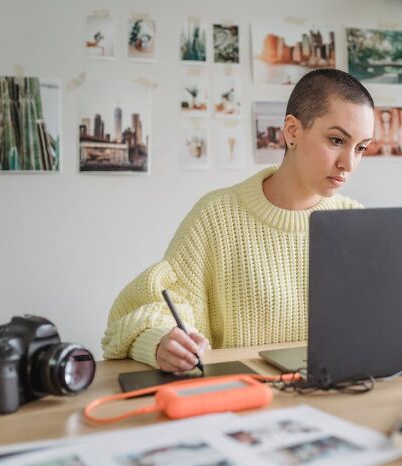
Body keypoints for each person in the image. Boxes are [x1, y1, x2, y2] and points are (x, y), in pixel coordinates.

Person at [102, 69, 375, 372]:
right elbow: (137, 313)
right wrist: (159, 341)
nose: (349, 164)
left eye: (361, 147)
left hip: (336, 400)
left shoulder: (355, 221)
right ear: (292, 131)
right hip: (243, 404)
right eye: (337, 140)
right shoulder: (217, 216)